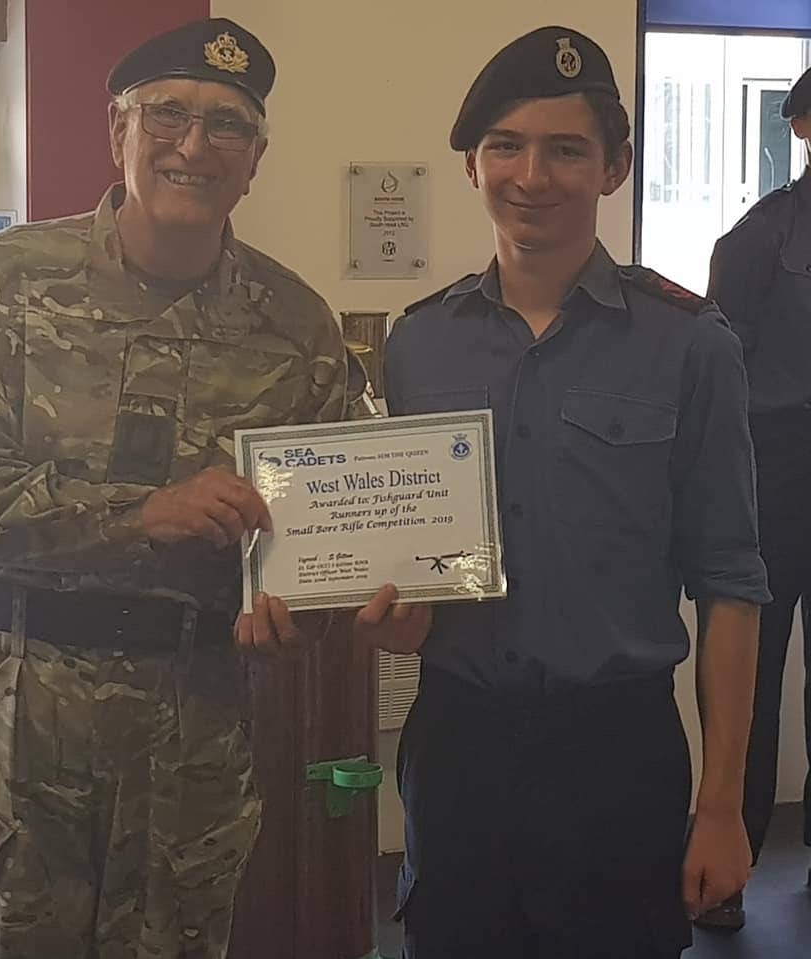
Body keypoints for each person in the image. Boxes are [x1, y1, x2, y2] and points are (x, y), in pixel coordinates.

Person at [0, 17, 349, 959]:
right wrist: (143, 515)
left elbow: (317, 534)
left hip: (193, 730)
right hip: (22, 725)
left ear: (256, 158)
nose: (194, 145)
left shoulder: (298, 326)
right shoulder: (11, 280)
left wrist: (302, 609)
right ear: (119, 130)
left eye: (227, 124)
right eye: (168, 115)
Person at [350, 25, 770, 959]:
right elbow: (417, 562)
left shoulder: (690, 345)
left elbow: (732, 583)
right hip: (457, 748)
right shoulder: (418, 344)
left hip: (616, 752)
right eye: (506, 145)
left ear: (615, 168)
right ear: (471, 164)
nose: (531, 175)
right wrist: (398, 615)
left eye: (566, 149)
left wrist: (722, 806)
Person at [700, 66, 811, 932]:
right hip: (775, 466)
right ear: (803, 127)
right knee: (749, 668)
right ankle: (725, 864)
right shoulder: (760, 236)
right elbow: (716, 369)